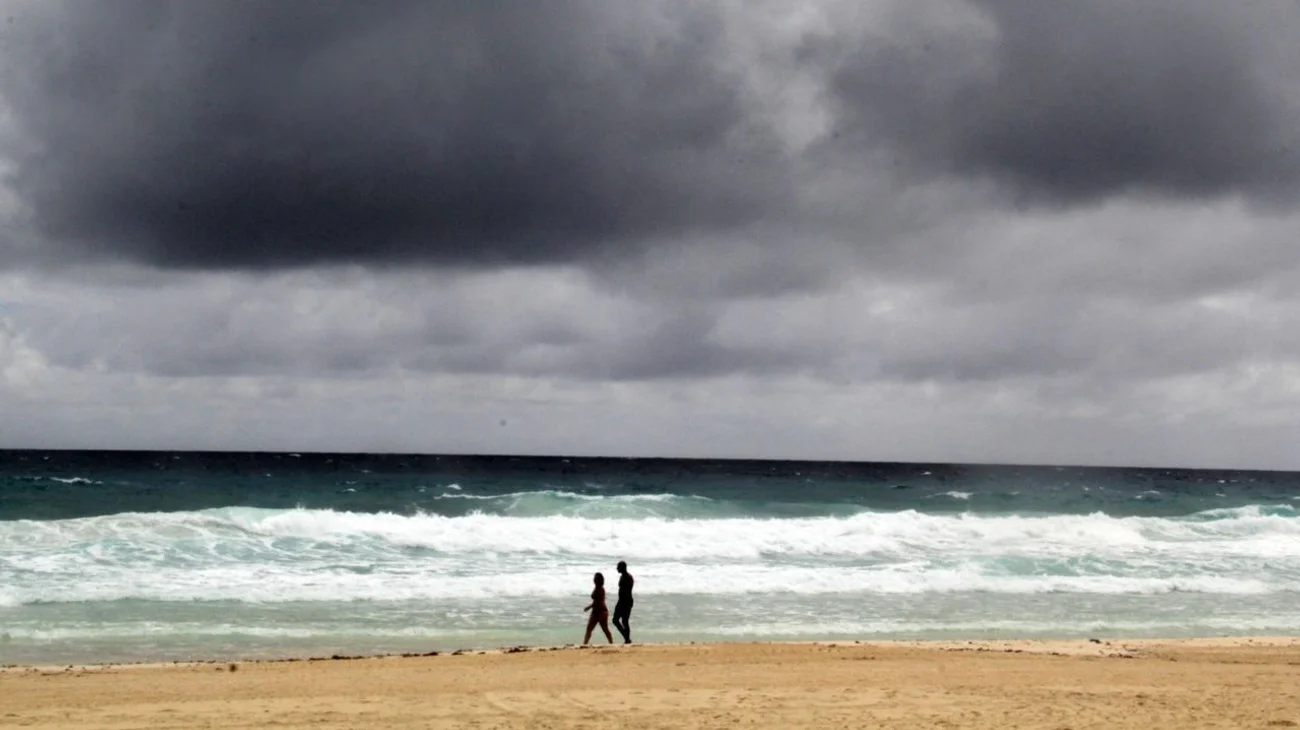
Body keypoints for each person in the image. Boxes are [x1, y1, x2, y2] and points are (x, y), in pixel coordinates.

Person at [583, 571, 614, 645]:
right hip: (596, 611)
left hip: (601, 611)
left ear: (599, 580)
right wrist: (590, 607)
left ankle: (611, 643)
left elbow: (598, 602)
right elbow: (595, 602)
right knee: (590, 629)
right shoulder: (596, 587)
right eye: (594, 578)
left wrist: (589, 607)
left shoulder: (600, 589)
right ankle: (585, 644)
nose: (594, 579)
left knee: (604, 629)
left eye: (596, 578)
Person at [612, 560, 634, 644]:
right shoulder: (623, 576)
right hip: (623, 601)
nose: (617, 568)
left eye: (618, 567)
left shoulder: (628, 577)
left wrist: (622, 602)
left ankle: (626, 638)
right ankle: (626, 637)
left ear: (623, 568)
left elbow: (627, 591)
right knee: (619, 620)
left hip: (625, 601)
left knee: (621, 620)